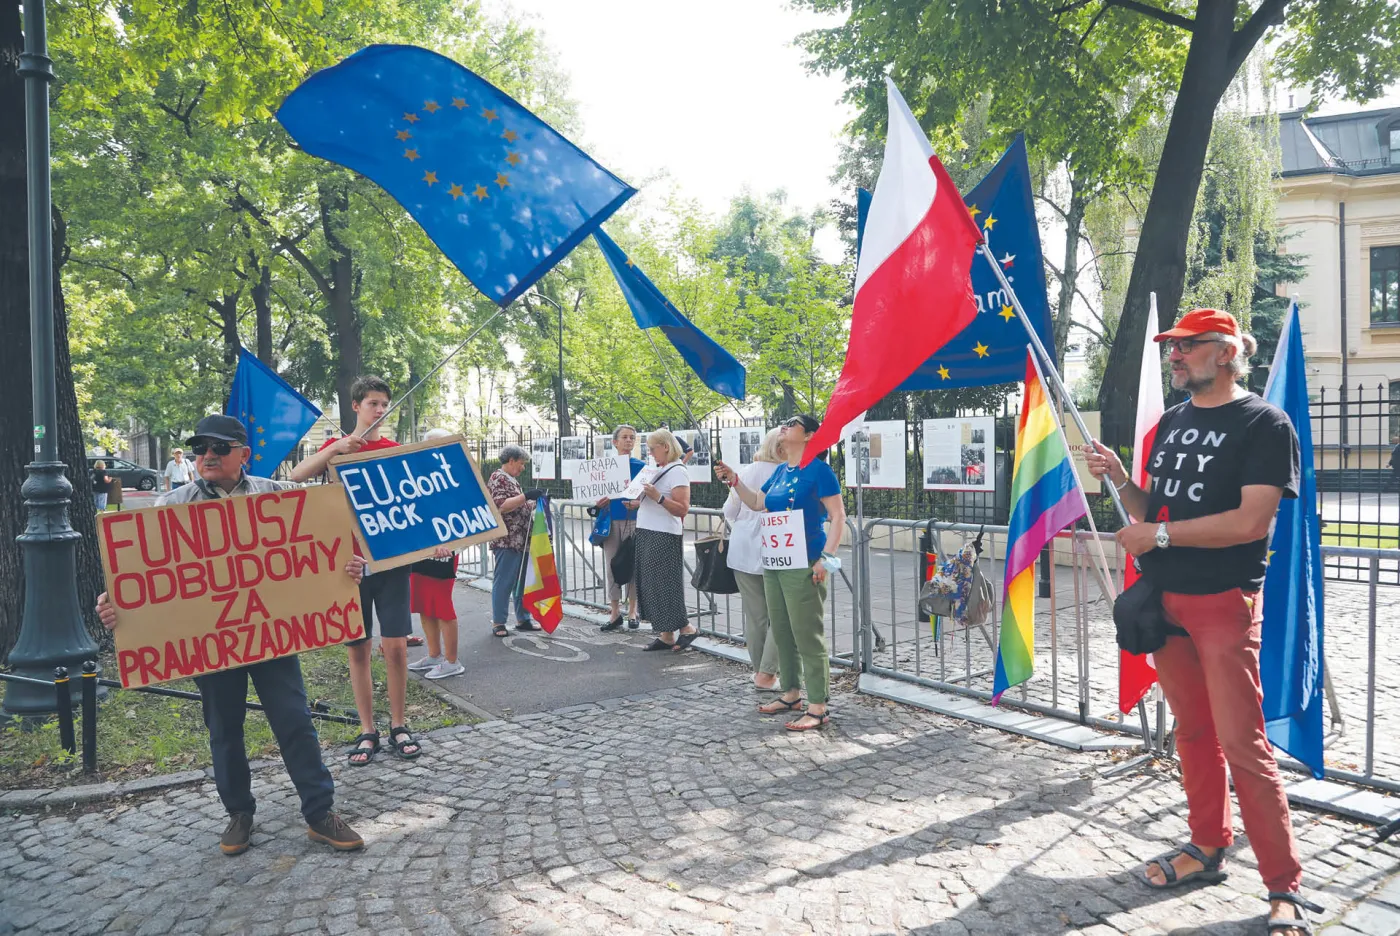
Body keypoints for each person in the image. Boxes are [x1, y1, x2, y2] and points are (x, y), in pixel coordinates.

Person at [1083, 308, 1321, 936]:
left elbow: (1250, 522)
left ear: (1226, 351)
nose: (1175, 356)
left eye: (1187, 346)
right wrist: (1121, 480)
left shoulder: (1265, 424)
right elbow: (1152, 508)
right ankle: (1207, 845)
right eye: (1172, 347)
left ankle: (1283, 886)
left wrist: (1158, 534)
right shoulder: (1171, 422)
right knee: (1192, 733)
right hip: (1167, 600)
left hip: (1223, 603)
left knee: (1244, 743)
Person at [95, 414, 367, 855]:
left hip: (272, 634)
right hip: (212, 640)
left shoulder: (278, 496)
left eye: (219, 448)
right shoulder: (170, 506)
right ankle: (239, 813)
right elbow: (143, 573)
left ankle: (320, 813)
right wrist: (115, 604)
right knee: (224, 728)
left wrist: (350, 568)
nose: (207, 456)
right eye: (200, 448)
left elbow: (324, 547)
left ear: (244, 455)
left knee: (295, 721)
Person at [291, 376, 422, 765]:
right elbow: (296, 476)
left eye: (384, 404)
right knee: (358, 648)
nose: (379, 410)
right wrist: (337, 447)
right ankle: (368, 730)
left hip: (391, 562)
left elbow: (416, 504)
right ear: (356, 406)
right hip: (348, 566)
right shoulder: (337, 448)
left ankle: (399, 724)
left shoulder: (395, 450)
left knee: (396, 647)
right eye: (372, 403)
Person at [715, 414, 846, 732]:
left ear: (809, 435)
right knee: (783, 632)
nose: (785, 425)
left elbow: (838, 515)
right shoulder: (781, 470)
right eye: (784, 423)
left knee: (807, 634)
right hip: (775, 562)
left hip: (804, 561)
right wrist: (735, 480)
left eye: (793, 422)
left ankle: (818, 706)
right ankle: (791, 693)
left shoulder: (819, 471)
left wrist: (826, 559)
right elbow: (756, 503)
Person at [722, 427, 784, 690]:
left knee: (756, 616)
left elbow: (730, 510)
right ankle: (768, 671)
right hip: (778, 547)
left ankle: (760, 671)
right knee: (781, 614)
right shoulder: (787, 472)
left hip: (744, 547)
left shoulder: (747, 472)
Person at [626, 429, 693, 650]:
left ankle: (685, 628)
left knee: (664, 583)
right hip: (648, 530)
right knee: (652, 583)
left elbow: (682, 508)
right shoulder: (660, 469)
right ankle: (667, 634)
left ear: (665, 446)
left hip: (663, 533)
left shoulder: (678, 471)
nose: (651, 453)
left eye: (653, 448)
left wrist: (658, 497)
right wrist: (638, 502)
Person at [407, 428, 465, 679]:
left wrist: (451, 544)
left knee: (441, 606)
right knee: (423, 603)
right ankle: (434, 655)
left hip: (444, 553)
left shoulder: (457, 477)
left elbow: (468, 515)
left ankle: (452, 661)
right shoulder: (415, 475)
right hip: (420, 550)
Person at [486, 444, 544, 637]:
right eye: (521, 463)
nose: (523, 467)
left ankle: (523, 618)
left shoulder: (511, 480)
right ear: (511, 461)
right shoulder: (499, 478)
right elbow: (502, 505)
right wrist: (526, 496)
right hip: (508, 540)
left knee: (521, 581)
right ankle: (499, 622)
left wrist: (535, 501)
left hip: (521, 539)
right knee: (505, 581)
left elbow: (520, 506)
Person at [596, 425, 646, 631]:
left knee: (633, 565)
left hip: (634, 520)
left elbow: (648, 495)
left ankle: (633, 611)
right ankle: (614, 611)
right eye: (624, 437)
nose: (628, 441)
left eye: (632, 437)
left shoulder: (642, 466)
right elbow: (596, 492)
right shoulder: (604, 466)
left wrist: (639, 503)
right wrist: (598, 502)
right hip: (611, 520)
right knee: (612, 566)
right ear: (615, 442)